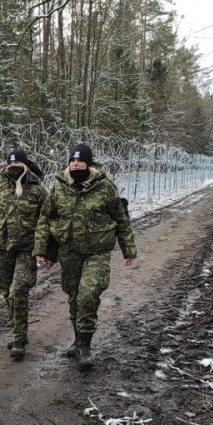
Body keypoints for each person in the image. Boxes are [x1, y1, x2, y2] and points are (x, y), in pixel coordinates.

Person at [33, 143, 136, 368]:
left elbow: (121, 219)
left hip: (97, 252)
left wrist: (128, 248)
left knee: (88, 294)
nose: (75, 164)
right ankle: (78, 340)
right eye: (72, 160)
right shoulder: (59, 188)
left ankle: (85, 346)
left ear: (89, 163)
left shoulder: (105, 187)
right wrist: (41, 248)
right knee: (74, 298)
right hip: (68, 252)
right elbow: (45, 219)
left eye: (80, 160)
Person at [0, 149, 47, 360]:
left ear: (26, 166)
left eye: (18, 165)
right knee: (7, 292)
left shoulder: (38, 192)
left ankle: (18, 340)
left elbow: (47, 223)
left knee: (18, 291)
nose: (14, 168)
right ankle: (21, 331)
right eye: (10, 165)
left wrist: (42, 249)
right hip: (2, 249)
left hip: (27, 250)